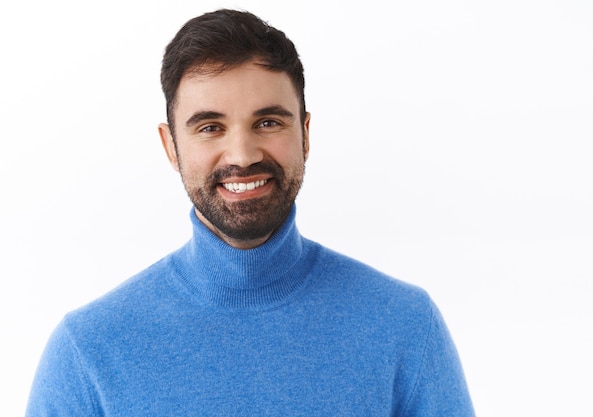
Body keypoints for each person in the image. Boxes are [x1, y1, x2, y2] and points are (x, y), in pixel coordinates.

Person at [26, 9, 475, 416]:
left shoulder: (404, 327)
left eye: (268, 122)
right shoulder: (87, 352)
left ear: (304, 133)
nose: (241, 155)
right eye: (210, 127)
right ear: (170, 146)